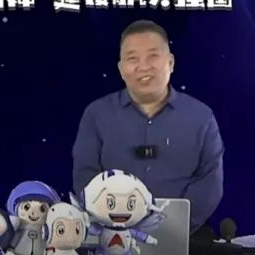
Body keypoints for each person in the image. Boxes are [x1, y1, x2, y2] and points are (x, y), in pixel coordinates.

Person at [72, 20, 225, 231]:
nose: (143, 66)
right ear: (121, 69)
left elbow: (210, 182)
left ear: (170, 62)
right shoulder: (97, 115)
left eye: (153, 56)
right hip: (111, 235)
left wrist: (173, 228)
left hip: (185, 237)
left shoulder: (201, 117)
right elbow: (85, 176)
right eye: (132, 58)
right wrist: (115, 222)